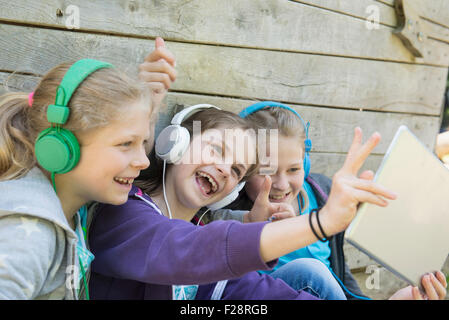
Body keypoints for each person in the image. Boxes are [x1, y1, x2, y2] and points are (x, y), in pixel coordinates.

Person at [87, 95, 401, 300]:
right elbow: (191, 251)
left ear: (232, 192)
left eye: (237, 169)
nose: (225, 168)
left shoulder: (201, 237)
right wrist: (320, 223)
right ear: (177, 141)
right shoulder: (124, 214)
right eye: (217, 149)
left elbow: (255, 293)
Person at [204, 102, 447, 300]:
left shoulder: (321, 194)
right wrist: (250, 223)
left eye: (293, 169)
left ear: (306, 164)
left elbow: (340, 282)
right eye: (267, 171)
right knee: (310, 272)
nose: (280, 184)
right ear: (244, 171)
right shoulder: (232, 207)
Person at [0, 37, 174, 299]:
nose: (144, 161)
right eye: (126, 143)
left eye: (143, 142)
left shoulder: (72, 201)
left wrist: (150, 102)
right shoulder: (30, 235)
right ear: (61, 147)